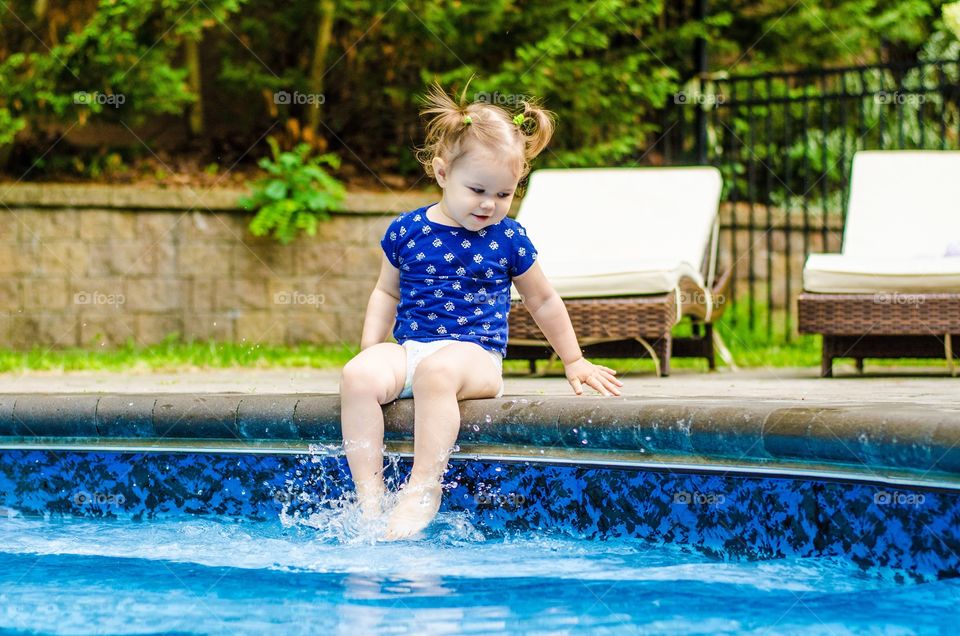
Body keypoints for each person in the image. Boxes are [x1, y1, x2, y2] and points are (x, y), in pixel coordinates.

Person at [339, 83, 623, 540]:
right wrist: (372, 351)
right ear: (441, 172)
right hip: (412, 349)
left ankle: (422, 489)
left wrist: (574, 359)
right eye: (477, 190)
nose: (490, 204)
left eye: (504, 194)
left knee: (437, 372)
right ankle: (369, 499)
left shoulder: (508, 238)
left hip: (475, 358)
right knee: (357, 376)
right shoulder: (406, 230)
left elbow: (543, 300)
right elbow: (385, 293)